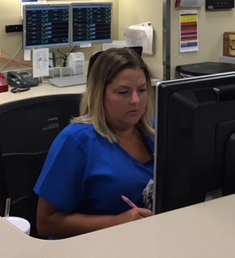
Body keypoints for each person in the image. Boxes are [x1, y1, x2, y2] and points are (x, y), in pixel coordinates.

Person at [34, 47, 154, 239]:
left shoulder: (154, 133)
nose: (135, 100)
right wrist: (117, 223)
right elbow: (46, 222)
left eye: (141, 90)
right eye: (123, 92)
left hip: (144, 239)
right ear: (100, 95)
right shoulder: (76, 141)